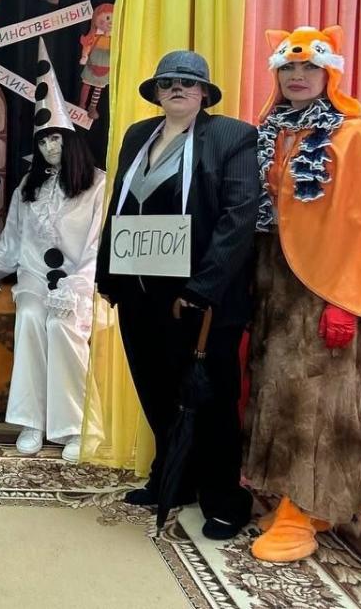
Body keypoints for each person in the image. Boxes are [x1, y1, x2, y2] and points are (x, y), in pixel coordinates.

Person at [95, 50, 257, 541]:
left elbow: (238, 219)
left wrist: (201, 288)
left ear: (204, 93)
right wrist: (108, 276)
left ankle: (224, 498)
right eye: (168, 82)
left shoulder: (231, 136)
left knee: (211, 398)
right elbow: (118, 205)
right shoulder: (137, 136)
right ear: (157, 92)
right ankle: (174, 477)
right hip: (139, 291)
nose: (178, 89)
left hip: (200, 297)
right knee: (157, 389)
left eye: (188, 82)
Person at [244, 26, 361, 563]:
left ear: (330, 73)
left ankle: (301, 511)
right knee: (277, 391)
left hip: (326, 286)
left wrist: (350, 300)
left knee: (314, 400)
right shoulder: (270, 129)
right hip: (275, 279)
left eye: (309, 67)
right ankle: (300, 500)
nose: (298, 76)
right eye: (288, 67)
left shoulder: (354, 134)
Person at [0, 41, 106, 461]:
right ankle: (31, 421)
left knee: (62, 329)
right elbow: (12, 243)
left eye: (56, 139)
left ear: (71, 140)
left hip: (80, 283)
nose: (49, 148)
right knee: (28, 319)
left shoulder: (97, 185)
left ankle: (73, 426)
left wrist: (77, 287)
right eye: (43, 142)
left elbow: (97, 247)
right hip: (35, 280)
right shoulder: (29, 186)